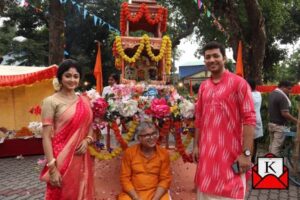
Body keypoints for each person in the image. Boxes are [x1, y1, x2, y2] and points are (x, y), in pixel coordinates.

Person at [193, 41, 256, 199]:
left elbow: (250, 119)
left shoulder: (239, 83)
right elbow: (199, 118)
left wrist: (247, 154)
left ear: (224, 58)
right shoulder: (204, 87)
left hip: (231, 156)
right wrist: (195, 146)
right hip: (207, 158)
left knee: (231, 193)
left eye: (216, 56)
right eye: (208, 57)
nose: (212, 60)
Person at [40, 59, 94, 199]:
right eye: (68, 76)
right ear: (60, 77)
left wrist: (87, 140)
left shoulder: (84, 100)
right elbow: (46, 137)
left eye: (76, 76)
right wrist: (52, 169)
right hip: (60, 158)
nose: (72, 80)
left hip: (81, 157)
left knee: (81, 192)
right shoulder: (51, 101)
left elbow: (90, 126)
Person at [118, 121, 172, 200]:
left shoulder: (163, 153)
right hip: (134, 193)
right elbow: (125, 178)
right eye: (147, 135)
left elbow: (165, 179)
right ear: (139, 138)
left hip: (156, 193)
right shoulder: (129, 152)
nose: (152, 137)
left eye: (154, 133)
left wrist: (155, 198)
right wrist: (135, 197)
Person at [268, 80, 299, 156]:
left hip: (271, 124)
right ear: (282, 87)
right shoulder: (282, 97)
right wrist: (296, 121)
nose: (290, 91)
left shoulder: (272, 94)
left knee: (272, 145)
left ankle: (268, 162)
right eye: (289, 88)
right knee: (276, 148)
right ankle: (272, 165)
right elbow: (285, 113)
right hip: (279, 126)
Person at [247, 79, 263, 163]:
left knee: (248, 140)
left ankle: (249, 159)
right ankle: (253, 159)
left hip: (250, 119)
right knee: (255, 141)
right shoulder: (258, 94)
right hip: (257, 118)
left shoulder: (248, 95)